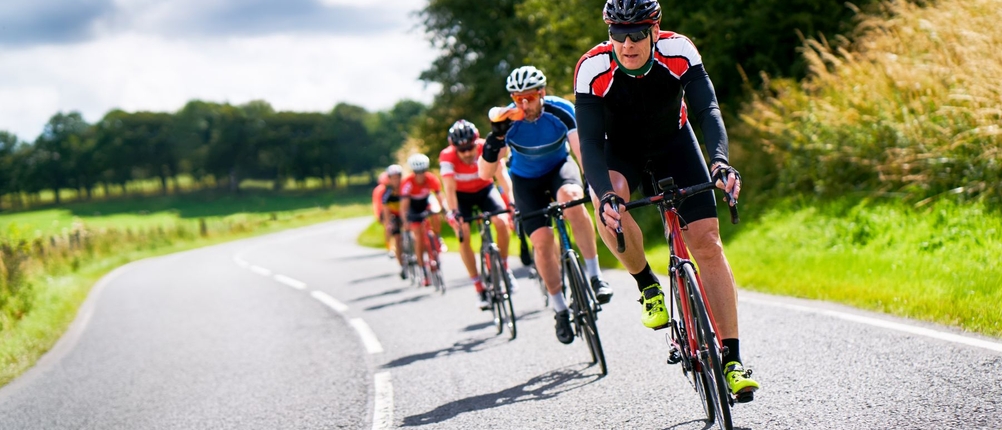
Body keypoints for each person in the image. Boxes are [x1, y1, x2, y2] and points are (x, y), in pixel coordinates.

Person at [573, 0, 759, 398]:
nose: (627, 44)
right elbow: (589, 141)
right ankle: (647, 285)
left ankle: (732, 360)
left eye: (637, 34)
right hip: (620, 151)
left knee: (707, 243)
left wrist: (720, 163)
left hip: (675, 142)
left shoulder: (679, 51)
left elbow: (707, 109)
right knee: (608, 209)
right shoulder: (592, 67)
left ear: (655, 31)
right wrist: (605, 194)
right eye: (617, 34)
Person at [480, 65, 614, 345]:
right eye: (518, 99)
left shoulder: (560, 110)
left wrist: (592, 184)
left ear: (542, 93)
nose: (524, 104)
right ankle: (560, 309)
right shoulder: (509, 120)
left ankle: (594, 276)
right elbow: (485, 172)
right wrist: (495, 139)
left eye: (529, 97)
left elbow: (580, 150)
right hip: (525, 180)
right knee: (541, 241)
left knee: (570, 197)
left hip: (558, 169)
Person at [440, 119, 517, 310]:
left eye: (470, 147)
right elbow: (449, 188)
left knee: (501, 221)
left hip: (485, 190)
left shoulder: (486, 146)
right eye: (461, 149)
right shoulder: (447, 157)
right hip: (461, 196)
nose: (466, 153)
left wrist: (512, 201)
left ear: (476, 143)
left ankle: (504, 268)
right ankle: (478, 287)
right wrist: (454, 212)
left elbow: (502, 177)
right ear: (454, 148)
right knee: (463, 232)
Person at [400, 153, 447, 287]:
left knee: (435, 213)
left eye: (422, 171)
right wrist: (405, 220)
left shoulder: (431, 179)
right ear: (413, 172)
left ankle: (437, 236)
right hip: (413, 206)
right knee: (418, 238)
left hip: (426, 202)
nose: (420, 175)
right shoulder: (408, 182)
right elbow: (404, 205)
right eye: (417, 172)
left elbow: (438, 196)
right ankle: (423, 271)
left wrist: (444, 209)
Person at [381, 164, 407, 278]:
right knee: (397, 239)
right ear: (389, 179)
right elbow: (386, 213)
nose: (396, 180)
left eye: (398, 177)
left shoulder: (406, 188)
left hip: (406, 214)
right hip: (395, 216)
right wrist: (388, 225)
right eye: (393, 178)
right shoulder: (387, 194)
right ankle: (402, 266)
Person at [371, 171, 392, 255]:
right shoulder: (379, 190)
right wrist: (378, 215)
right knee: (388, 228)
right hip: (383, 212)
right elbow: (377, 204)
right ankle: (389, 247)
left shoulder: (393, 188)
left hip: (392, 210)